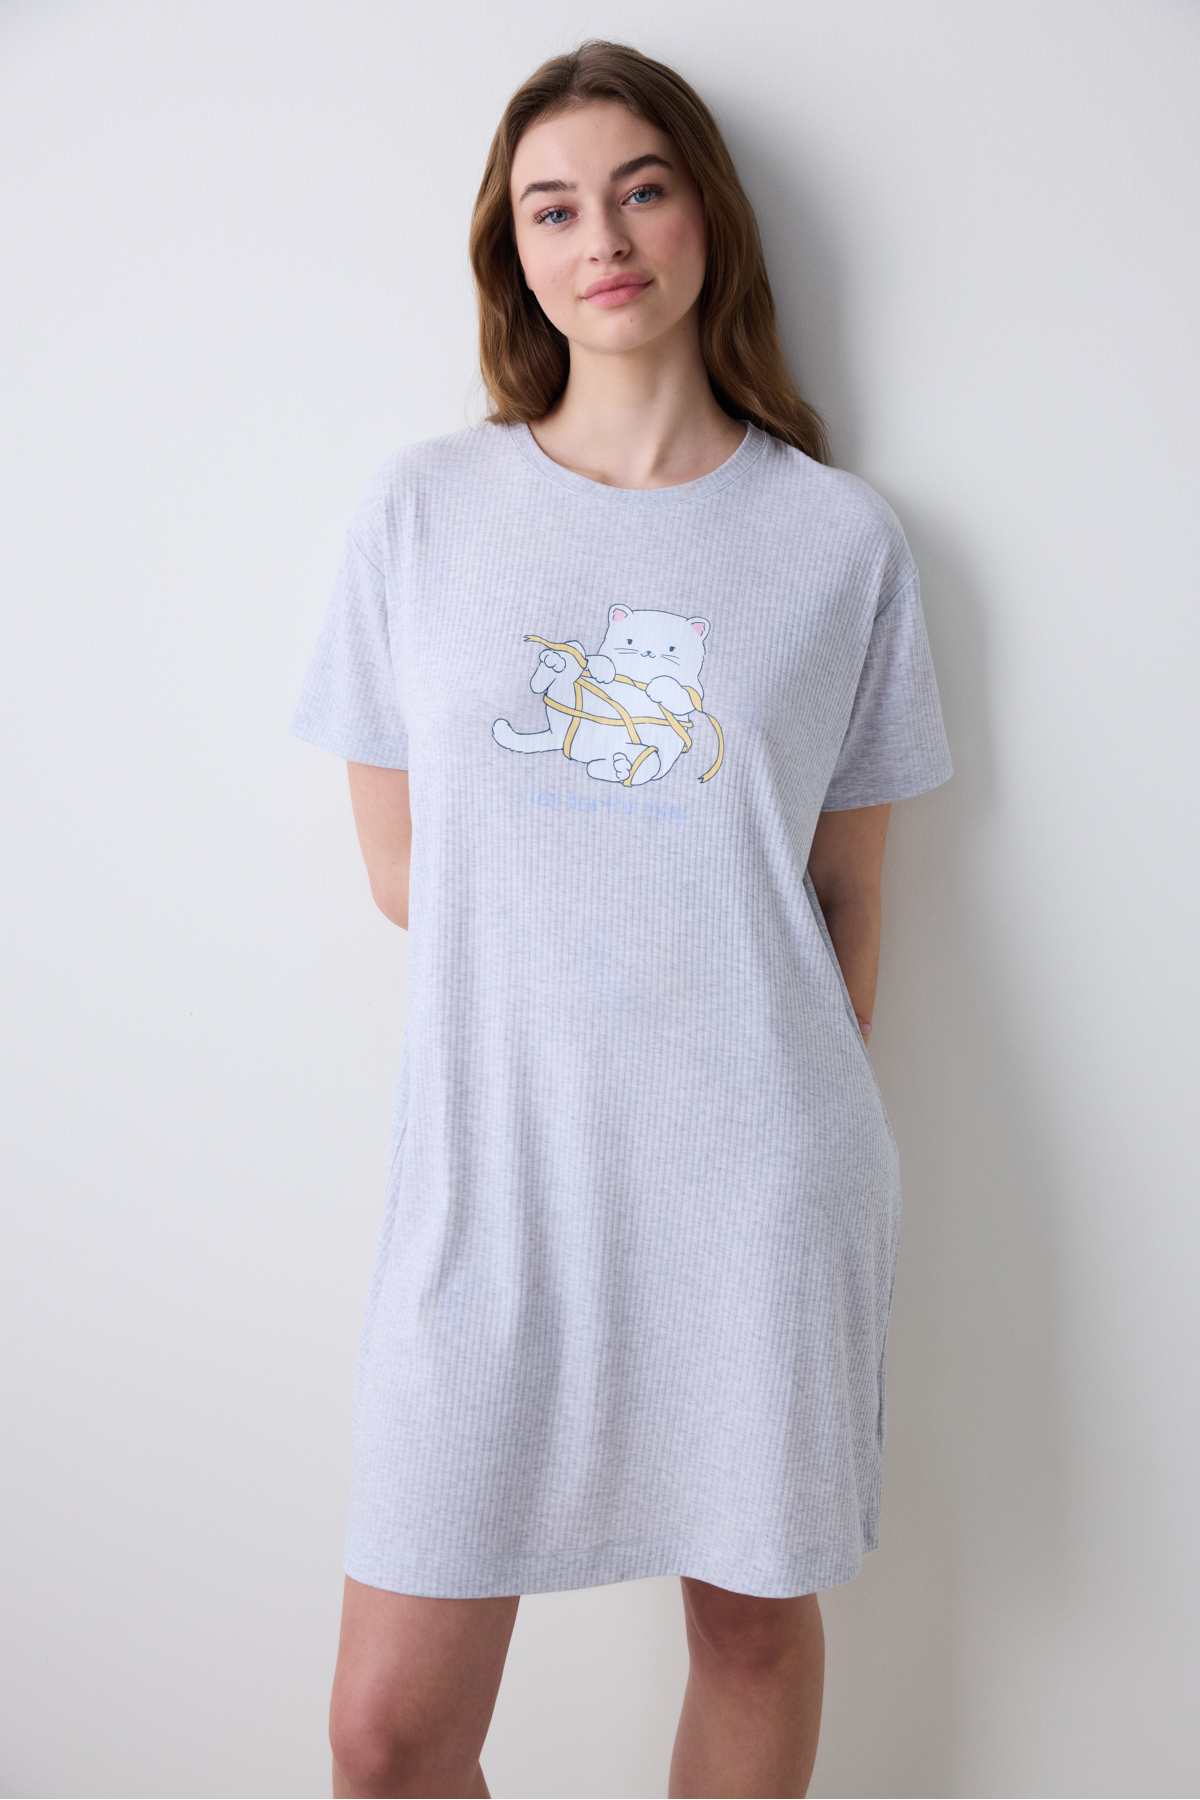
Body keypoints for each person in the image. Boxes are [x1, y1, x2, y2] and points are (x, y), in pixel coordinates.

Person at [290, 39, 952, 1800]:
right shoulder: (424, 512)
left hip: (753, 1184)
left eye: (642, 190)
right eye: (553, 207)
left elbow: (848, 895)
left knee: (748, 1634)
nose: (602, 238)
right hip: (491, 1182)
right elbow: (404, 869)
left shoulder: (837, 542)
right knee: (385, 1734)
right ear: (512, 251)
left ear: (705, 217)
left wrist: (757, 1100)